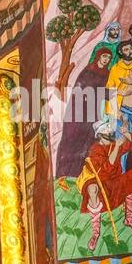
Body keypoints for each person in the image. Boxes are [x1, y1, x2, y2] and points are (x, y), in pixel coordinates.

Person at [77, 118, 132, 251]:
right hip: (100, 182)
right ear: (100, 135)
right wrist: (118, 147)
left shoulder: (115, 144)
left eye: (110, 131)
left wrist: (127, 134)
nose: (110, 133)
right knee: (92, 189)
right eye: (107, 131)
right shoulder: (95, 149)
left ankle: (129, 219)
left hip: (115, 181)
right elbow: (106, 169)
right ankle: (95, 233)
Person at [55, 48, 113, 179]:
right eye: (104, 56)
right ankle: (63, 174)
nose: (106, 59)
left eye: (108, 58)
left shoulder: (107, 74)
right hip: (78, 112)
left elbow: (103, 92)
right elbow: (80, 90)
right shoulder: (88, 71)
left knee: (87, 143)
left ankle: (78, 175)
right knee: (71, 142)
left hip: (93, 113)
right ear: (98, 56)